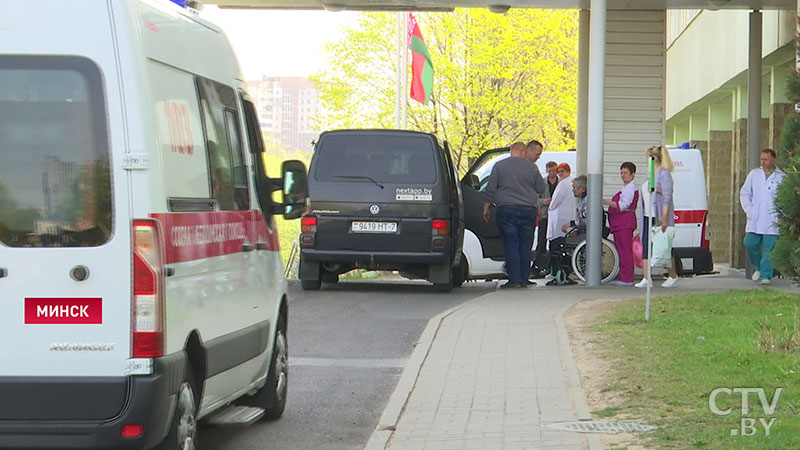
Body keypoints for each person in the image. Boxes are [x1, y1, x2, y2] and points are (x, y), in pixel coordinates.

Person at [482, 142, 545, 288]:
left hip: (506, 209)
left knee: (511, 244)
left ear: (512, 151)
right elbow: (541, 187)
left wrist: (486, 206)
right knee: (525, 244)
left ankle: (514, 280)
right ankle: (524, 279)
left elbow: (491, 188)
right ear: (523, 151)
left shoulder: (499, 166)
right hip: (527, 210)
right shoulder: (532, 167)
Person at [740, 148, 786, 285]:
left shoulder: (781, 177)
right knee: (749, 242)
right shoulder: (754, 174)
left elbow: (785, 199)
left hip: (773, 220)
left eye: (766, 159)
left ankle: (766, 275)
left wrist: (782, 216)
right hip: (755, 217)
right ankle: (759, 267)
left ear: (773, 160)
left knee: (769, 249)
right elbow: (745, 193)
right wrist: (749, 210)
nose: (763, 162)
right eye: (762, 159)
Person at [635, 146, 678, 288]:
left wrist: (664, 218)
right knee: (646, 244)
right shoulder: (650, 174)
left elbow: (667, 197)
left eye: (647, 158)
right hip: (648, 215)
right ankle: (647, 277)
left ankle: (672, 275)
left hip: (658, 216)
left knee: (663, 246)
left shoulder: (664, 174)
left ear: (653, 159)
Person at [604, 162, 639, 286]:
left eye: (626, 173)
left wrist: (606, 202)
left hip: (624, 223)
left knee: (625, 251)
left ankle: (627, 278)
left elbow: (623, 205)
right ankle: (623, 276)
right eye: (621, 173)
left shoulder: (631, 189)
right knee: (621, 250)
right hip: (619, 224)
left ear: (633, 174)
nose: (623, 175)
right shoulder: (626, 188)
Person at [547, 162, 574, 247]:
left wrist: (551, 207)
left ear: (568, 171)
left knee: (557, 239)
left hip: (560, 215)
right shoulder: (570, 181)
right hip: (566, 214)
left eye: (562, 171)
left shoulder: (563, 183)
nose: (560, 174)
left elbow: (557, 198)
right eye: (558, 172)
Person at [536, 161, 559, 254]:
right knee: (542, 239)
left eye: (554, 170)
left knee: (555, 239)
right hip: (545, 214)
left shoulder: (561, 182)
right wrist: (544, 201)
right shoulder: (542, 183)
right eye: (550, 171)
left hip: (557, 214)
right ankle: (540, 260)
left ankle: (553, 260)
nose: (552, 173)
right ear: (546, 171)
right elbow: (535, 198)